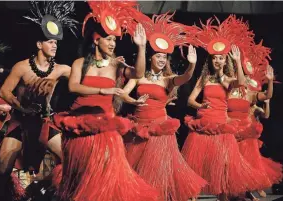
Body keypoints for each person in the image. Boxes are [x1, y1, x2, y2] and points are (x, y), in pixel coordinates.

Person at [52, 1, 159, 201]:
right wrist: (104, 89)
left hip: (105, 126)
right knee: (80, 177)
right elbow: (73, 87)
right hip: (79, 126)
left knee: (104, 175)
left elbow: (139, 72)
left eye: (114, 40)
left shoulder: (116, 65)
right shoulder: (80, 63)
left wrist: (142, 48)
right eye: (109, 39)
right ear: (96, 40)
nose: (112, 44)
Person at [120, 12, 207, 201]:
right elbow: (124, 93)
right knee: (137, 170)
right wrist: (133, 101)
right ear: (150, 57)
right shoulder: (139, 76)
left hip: (159, 127)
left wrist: (191, 66)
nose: (161, 60)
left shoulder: (167, 80)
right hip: (140, 127)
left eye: (164, 58)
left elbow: (185, 78)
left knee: (157, 169)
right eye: (158, 56)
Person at [181, 15, 267, 201]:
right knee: (197, 164)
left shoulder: (228, 80)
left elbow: (241, 83)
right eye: (214, 59)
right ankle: (192, 195)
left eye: (220, 59)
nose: (217, 62)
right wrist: (199, 104)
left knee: (225, 164)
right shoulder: (204, 79)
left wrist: (237, 62)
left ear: (224, 60)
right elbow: (190, 100)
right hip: (203, 123)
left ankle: (234, 194)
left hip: (221, 125)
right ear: (210, 61)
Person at [0, 1, 78, 200]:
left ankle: (51, 190)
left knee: (70, 161)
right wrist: (21, 107)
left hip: (45, 123)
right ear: (38, 44)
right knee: (3, 169)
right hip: (21, 123)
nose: (54, 45)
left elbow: (83, 77)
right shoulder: (22, 67)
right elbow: (5, 91)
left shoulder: (61, 69)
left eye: (56, 43)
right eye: (50, 42)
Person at [227, 42, 282, 200]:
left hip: (247, 132)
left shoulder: (250, 93)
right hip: (232, 130)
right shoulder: (229, 90)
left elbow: (267, 96)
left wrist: (270, 81)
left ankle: (248, 191)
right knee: (233, 165)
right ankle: (235, 192)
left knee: (248, 163)